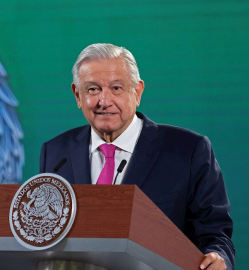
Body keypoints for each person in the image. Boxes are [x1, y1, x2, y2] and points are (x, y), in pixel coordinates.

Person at [39, 43, 235, 270]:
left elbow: (215, 233)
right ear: (77, 95)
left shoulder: (189, 150)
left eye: (116, 88)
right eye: (93, 89)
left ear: (137, 91)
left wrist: (217, 258)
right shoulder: (55, 152)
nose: (104, 101)